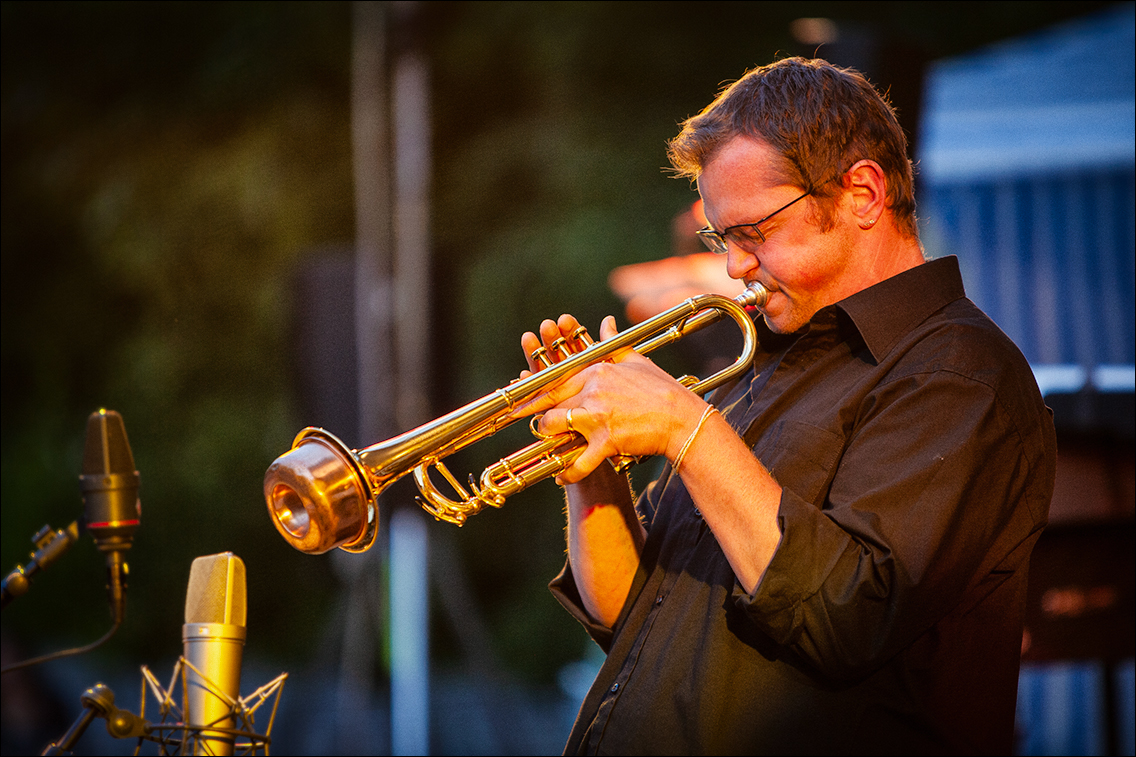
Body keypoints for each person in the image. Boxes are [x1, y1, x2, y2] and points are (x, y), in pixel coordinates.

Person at [515, 57, 1057, 755]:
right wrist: (588, 461)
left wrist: (686, 426)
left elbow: (848, 616)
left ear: (862, 192)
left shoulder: (957, 371)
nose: (735, 265)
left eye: (753, 232)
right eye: (722, 238)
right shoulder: (766, 362)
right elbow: (630, 611)